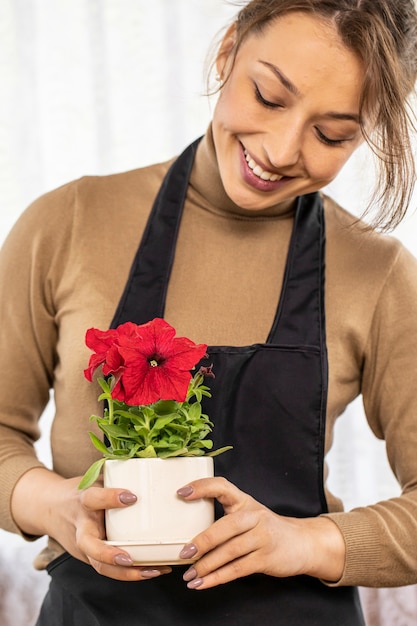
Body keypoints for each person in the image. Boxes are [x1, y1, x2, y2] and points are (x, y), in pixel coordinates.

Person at [1, 0, 417, 624]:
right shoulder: (69, 222)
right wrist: (57, 505)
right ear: (228, 51)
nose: (279, 151)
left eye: (332, 134)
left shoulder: (377, 271)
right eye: (269, 97)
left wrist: (303, 541)